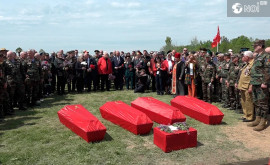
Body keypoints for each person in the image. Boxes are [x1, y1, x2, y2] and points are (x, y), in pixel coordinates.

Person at [248, 40, 270, 131]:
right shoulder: (257, 56)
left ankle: (263, 122)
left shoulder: (266, 56)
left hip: (261, 83)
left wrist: (265, 83)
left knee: (263, 103)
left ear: (260, 46)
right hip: (255, 82)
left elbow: (268, 71)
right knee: (256, 102)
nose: (254, 47)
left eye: (255, 45)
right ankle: (258, 119)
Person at [236, 51, 254, 122]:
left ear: (247, 57)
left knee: (248, 101)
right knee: (243, 101)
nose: (242, 58)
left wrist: (251, 86)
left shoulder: (253, 64)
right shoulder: (246, 64)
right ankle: (245, 114)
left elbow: (253, 76)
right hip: (243, 86)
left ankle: (250, 117)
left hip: (247, 86)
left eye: (243, 56)